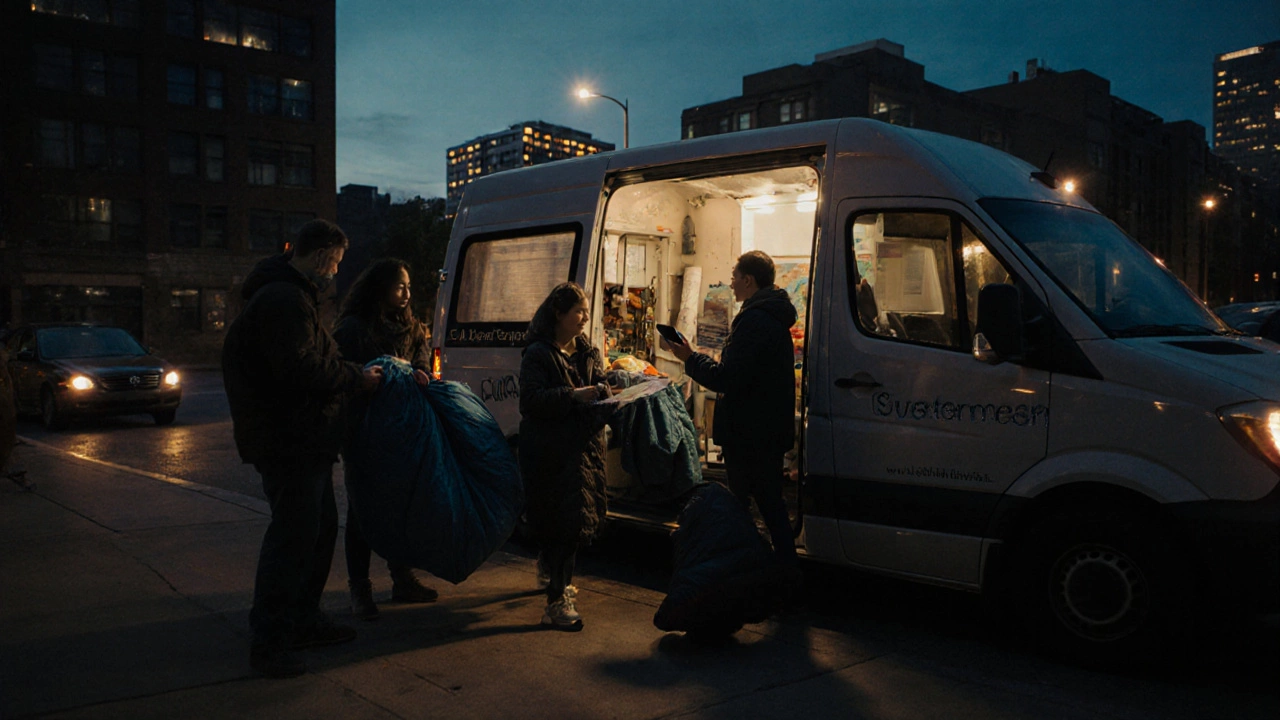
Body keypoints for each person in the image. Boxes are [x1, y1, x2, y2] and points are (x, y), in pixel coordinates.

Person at [222, 219, 383, 678]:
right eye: (335, 262)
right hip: (288, 440)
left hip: (303, 438)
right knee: (292, 539)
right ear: (320, 255)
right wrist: (357, 379)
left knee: (318, 530)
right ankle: (270, 641)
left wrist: (353, 371)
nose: (335, 271)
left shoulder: (293, 297)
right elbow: (301, 368)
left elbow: (319, 357)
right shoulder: (283, 299)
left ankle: (303, 620)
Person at [661, 250, 798, 564]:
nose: (731, 283)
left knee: (746, 508)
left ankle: (750, 569)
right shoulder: (772, 315)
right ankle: (780, 570)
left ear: (748, 280)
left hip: (750, 435)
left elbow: (727, 378)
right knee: (771, 505)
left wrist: (689, 358)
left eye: (734, 277)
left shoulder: (754, 319)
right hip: (765, 431)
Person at [333, 258, 438, 621]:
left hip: (403, 428)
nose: (406, 293)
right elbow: (338, 372)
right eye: (399, 287)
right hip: (364, 429)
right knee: (362, 511)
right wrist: (363, 378)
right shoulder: (353, 328)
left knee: (401, 505)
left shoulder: (412, 327)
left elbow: (422, 358)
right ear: (381, 289)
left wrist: (421, 372)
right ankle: (359, 589)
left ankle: (402, 578)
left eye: (409, 286)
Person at [518, 282, 612, 631]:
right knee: (564, 527)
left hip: (583, 451)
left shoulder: (588, 351)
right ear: (558, 314)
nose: (585, 317)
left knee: (571, 527)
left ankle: (555, 583)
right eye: (578, 311)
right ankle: (557, 602)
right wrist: (572, 395)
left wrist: (611, 393)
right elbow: (530, 401)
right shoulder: (538, 353)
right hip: (551, 453)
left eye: (586, 311)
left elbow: (599, 386)